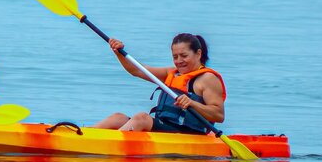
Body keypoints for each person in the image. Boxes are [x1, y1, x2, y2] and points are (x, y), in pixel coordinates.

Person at [92, 33, 225, 134]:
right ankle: (83, 136)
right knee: (118, 118)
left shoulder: (208, 79)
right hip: (165, 127)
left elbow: (219, 115)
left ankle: (109, 144)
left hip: (189, 134)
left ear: (198, 54)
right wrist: (118, 52)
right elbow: (136, 70)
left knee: (142, 118)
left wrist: (192, 103)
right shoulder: (171, 73)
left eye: (184, 56)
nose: (179, 61)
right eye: (175, 57)